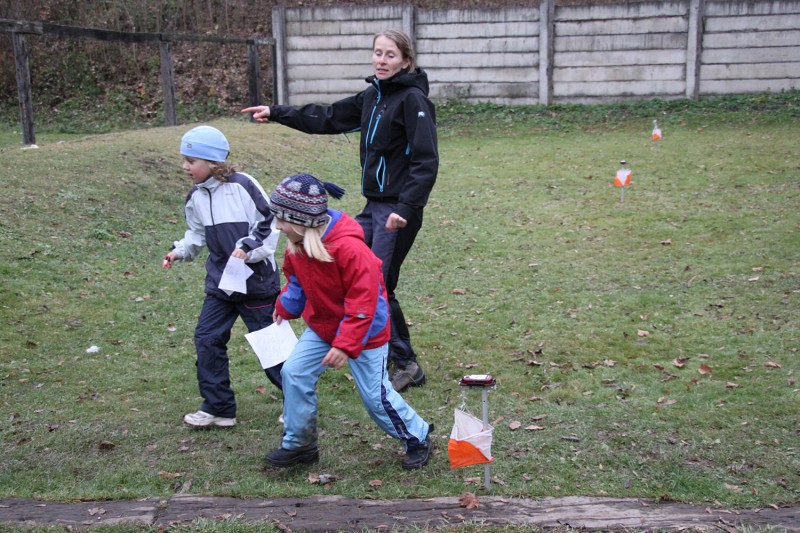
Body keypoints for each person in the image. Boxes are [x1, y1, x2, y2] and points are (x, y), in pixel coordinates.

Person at [242, 29, 438, 393]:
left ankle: (406, 363)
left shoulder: (413, 100)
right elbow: (328, 117)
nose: (381, 60)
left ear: (406, 61)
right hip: (374, 206)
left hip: (397, 210)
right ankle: (347, 336)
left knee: (378, 281)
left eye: (390, 55)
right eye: (377, 53)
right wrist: (278, 112)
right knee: (338, 258)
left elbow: (426, 161)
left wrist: (407, 208)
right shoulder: (372, 97)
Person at [264, 173, 433, 470]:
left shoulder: (351, 250)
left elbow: (363, 304)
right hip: (324, 326)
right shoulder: (299, 243)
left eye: (281, 219)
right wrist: (285, 306)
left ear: (304, 220)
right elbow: (296, 282)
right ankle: (300, 444)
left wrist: (345, 345)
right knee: (294, 372)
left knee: (375, 398)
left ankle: (417, 436)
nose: (277, 225)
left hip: (364, 332)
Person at [163, 125, 283, 428]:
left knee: (271, 344)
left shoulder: (243, 186)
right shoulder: (197, 195)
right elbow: (197, 233)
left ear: (212, 162)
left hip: (256, 283)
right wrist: (180, 251)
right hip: (221, 283)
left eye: (191, 161)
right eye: (185, 160)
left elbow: (269, 222)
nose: (185, 167)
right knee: (207, 338)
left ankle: (298, 399)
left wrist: (247, 248)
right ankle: (219, 407)